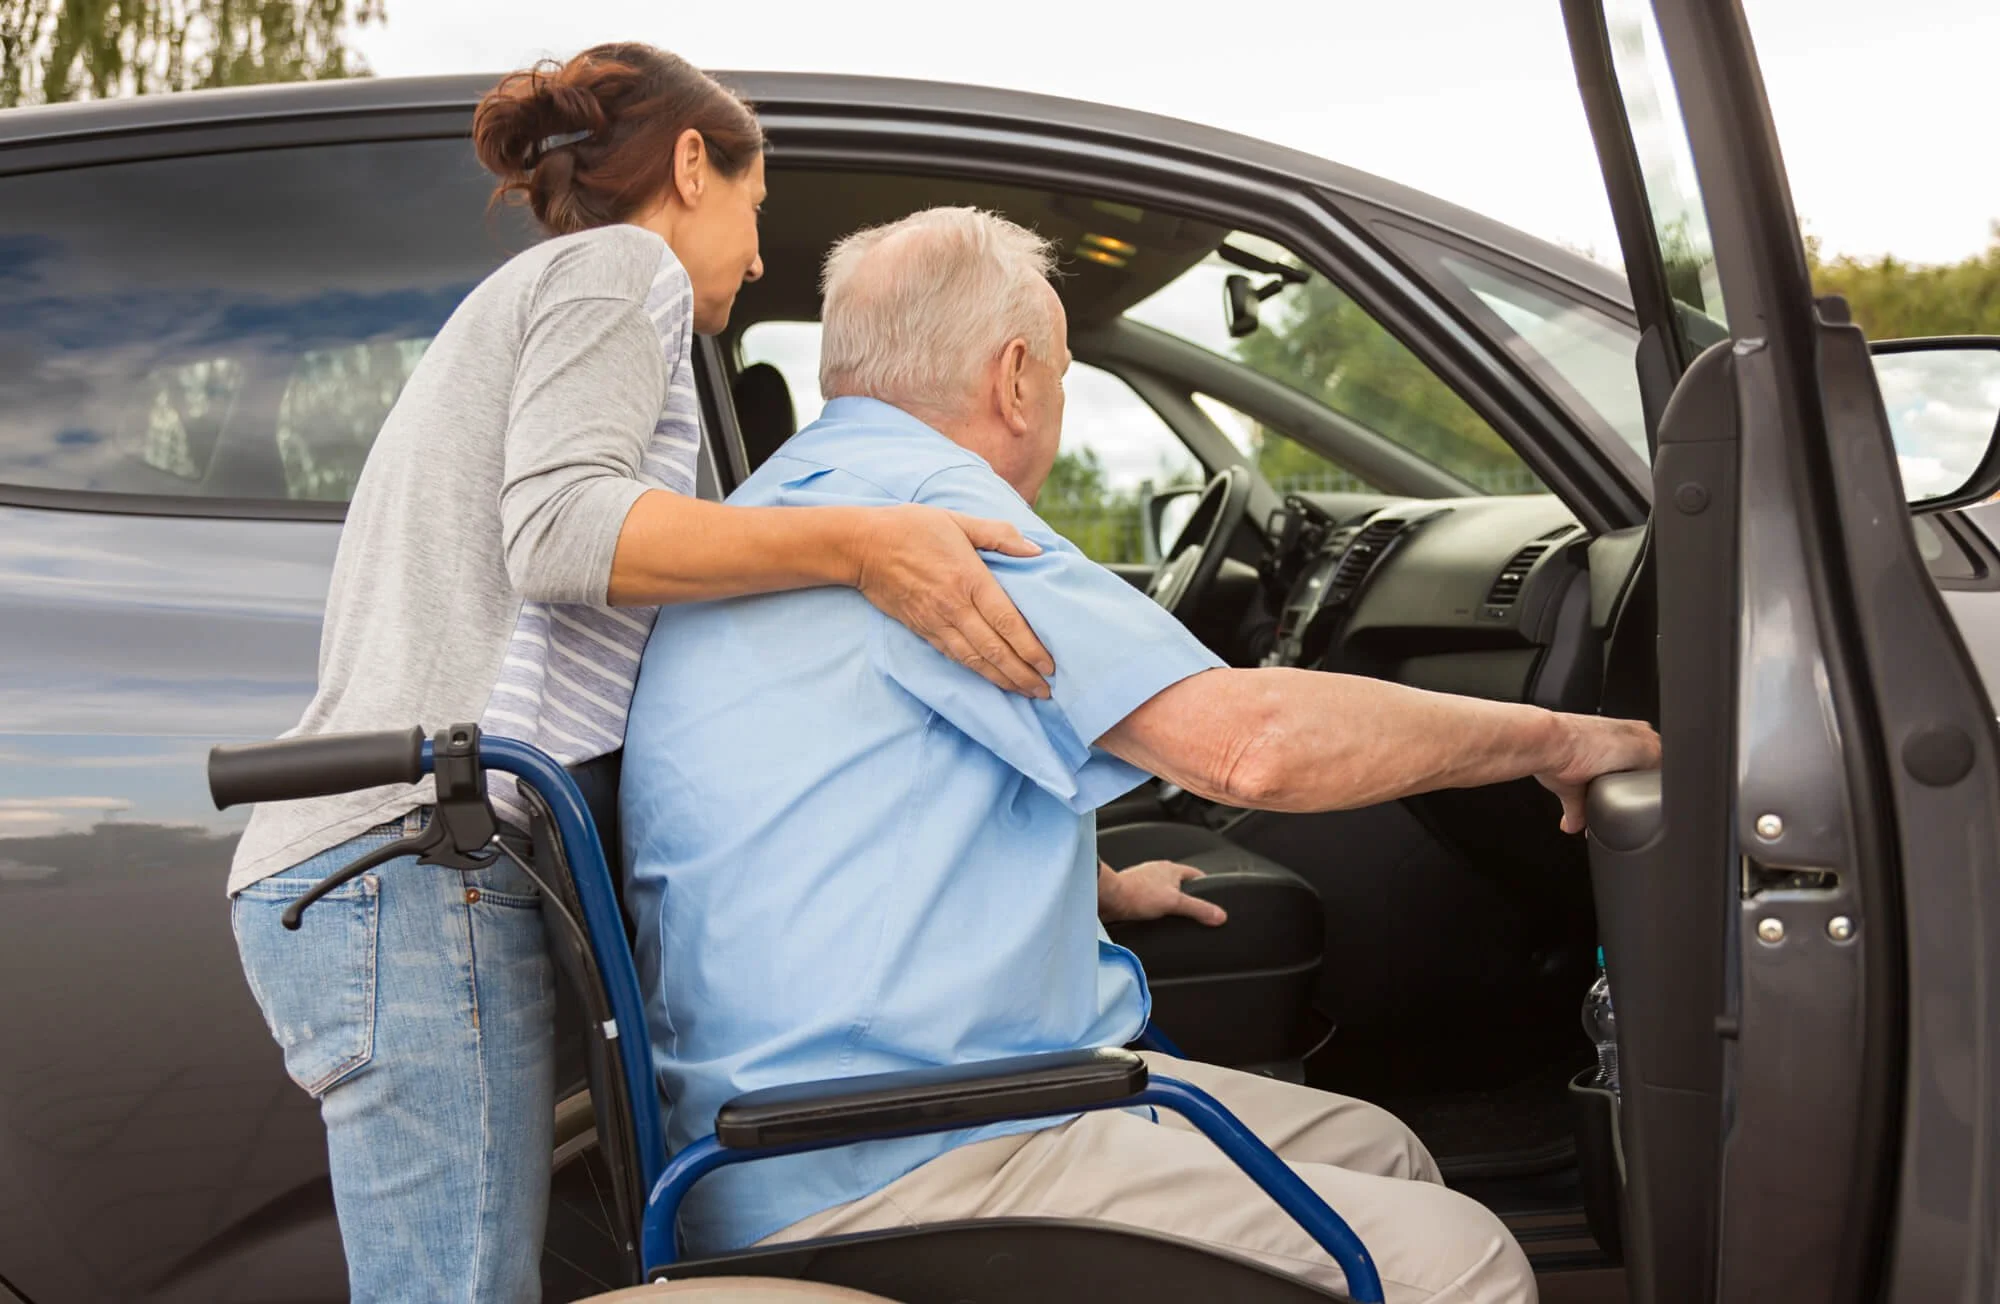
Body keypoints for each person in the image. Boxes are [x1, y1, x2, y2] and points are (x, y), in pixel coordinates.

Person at [620, 206, 1660, 1303]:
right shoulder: (930, 525)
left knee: (1382, 1151)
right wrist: (1556, 736)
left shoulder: (785, 509)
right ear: (1015, 379)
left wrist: (1100, 884)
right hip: (895, 1152)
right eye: (1063, 374)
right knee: (1461, 1262)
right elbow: (1250, 749)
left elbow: (857, 796)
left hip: (814, 1130)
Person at [225, 52, 1058, 1303]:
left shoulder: (554, 301)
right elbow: (561, 532)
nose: (760, 257)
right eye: (757, 206)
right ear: (690, 164)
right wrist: (863, 542)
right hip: (407, 874)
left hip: (397, 875)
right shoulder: (620, 269)